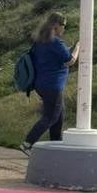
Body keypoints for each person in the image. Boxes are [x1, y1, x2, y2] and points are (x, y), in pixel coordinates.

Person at [20, 12, 79, 152]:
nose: (64, 28)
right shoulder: (55, 42)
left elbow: (57, 55)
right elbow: (70, 60)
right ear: (57, 25)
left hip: (41, 83)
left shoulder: (41, 40)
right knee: (51, 116)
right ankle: (27, 143)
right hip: (53, 85)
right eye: (63, 25)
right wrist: (78, 47)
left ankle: (55, 146)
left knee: (59, 114)